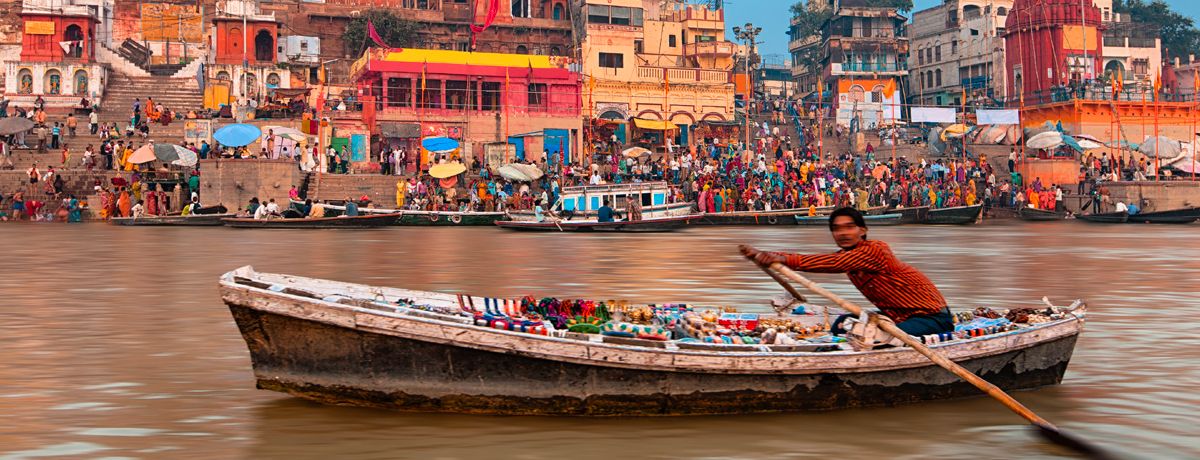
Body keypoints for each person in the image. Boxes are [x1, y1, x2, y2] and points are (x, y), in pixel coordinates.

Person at [742, 207, 953, 338]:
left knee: (880, 338)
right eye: (837, 228)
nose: (843, 233)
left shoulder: (874, 250)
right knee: (841, 324)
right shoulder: (848, 257)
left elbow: (831, 262)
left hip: (931, 317)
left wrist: (777, 257)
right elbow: (827, 260)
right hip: (896, 316)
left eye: (849, 227)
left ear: (862, 230)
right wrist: (766, 255)